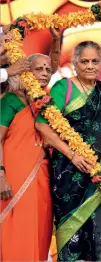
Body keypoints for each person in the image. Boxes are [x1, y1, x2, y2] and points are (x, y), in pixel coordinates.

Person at [35, 41, 101, 261]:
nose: (89, 66)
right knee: (72, 233)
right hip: (69, 172)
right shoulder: (63, 88)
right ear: (75, 63)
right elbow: (42, 124)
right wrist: (72, 155)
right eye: (84, 61)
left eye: (95, 61)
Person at [0, 53, 54, 261]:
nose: (44, 73)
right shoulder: (11, 100)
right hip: (12, 178)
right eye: (38, 69)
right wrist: (1, 175)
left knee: (40, 230)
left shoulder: (49, 104)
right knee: (16, 231)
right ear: (26, 72)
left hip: (42, 180)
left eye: (48, 70)